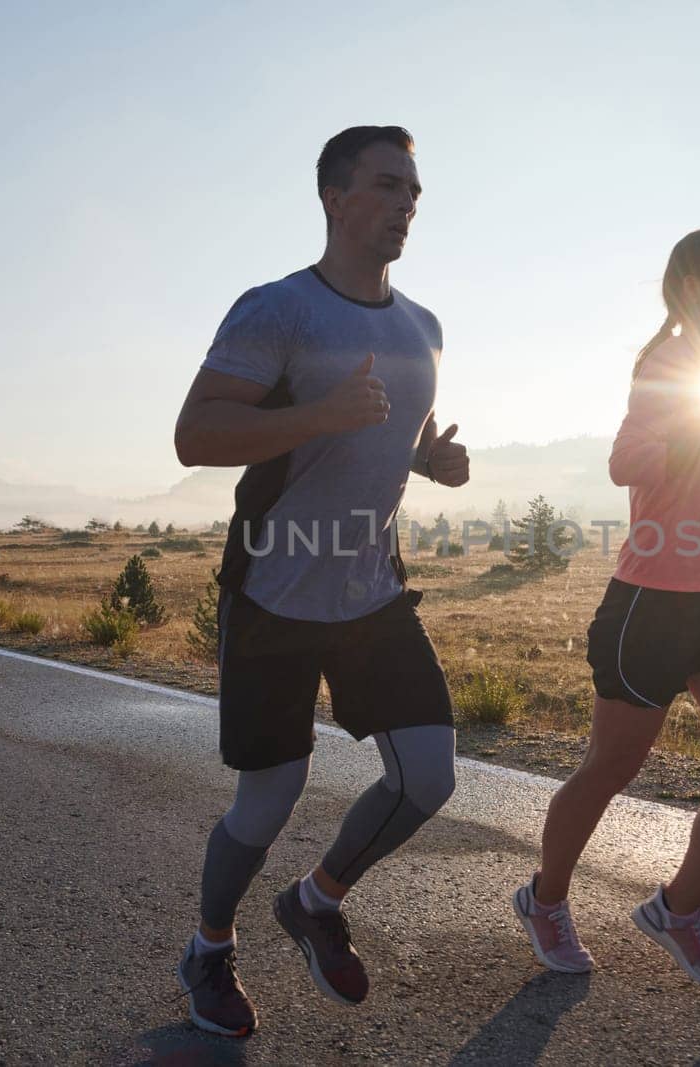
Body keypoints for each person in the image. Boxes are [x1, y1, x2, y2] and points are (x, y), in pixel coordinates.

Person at [170, 125, 471, 1036]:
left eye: (413, 190)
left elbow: (381, 434)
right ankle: (208, 948)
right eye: (387, 186)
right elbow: (195, 435)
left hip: (370, 590)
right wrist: (317, 414)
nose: (406, 204)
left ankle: (316, 898)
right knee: (270, 796)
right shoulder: (278, 310)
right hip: (274, 589)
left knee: (429, 778)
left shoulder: (424, 326)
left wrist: (428, 462)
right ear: (336, 198)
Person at [511, 228, 700, 991]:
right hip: (653, 605)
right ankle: (544, 900)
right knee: (611, 766)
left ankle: (677, 908)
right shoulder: (668, 363)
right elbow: (625, 461)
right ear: (698, 285)